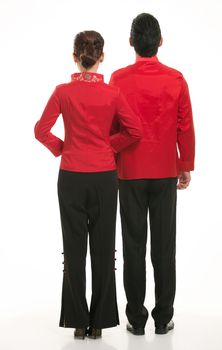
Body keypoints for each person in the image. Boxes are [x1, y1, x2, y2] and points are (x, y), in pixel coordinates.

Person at [34, 30, 142, 340]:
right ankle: (101, 322)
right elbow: (134, 131)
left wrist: (62, 148)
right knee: (104, 248)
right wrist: (110, 146)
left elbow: (41, 130)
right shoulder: (113, 93)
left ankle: (78, 321)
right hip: (104, 177)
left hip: (70, 177)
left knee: (74, 248)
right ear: (102, 57)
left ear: (75, 57)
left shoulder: (62, 92)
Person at [109, 13, 195, 335]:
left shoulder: (118, 79)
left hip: (129, 171)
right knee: (164, 248)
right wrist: (184, 164)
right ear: (160, 41)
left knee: (133, 246)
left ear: (131, 41)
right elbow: (184, 125)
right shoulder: (176, 79)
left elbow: (113, 125)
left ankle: (135, 318)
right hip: (163, 172)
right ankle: (163, 318)